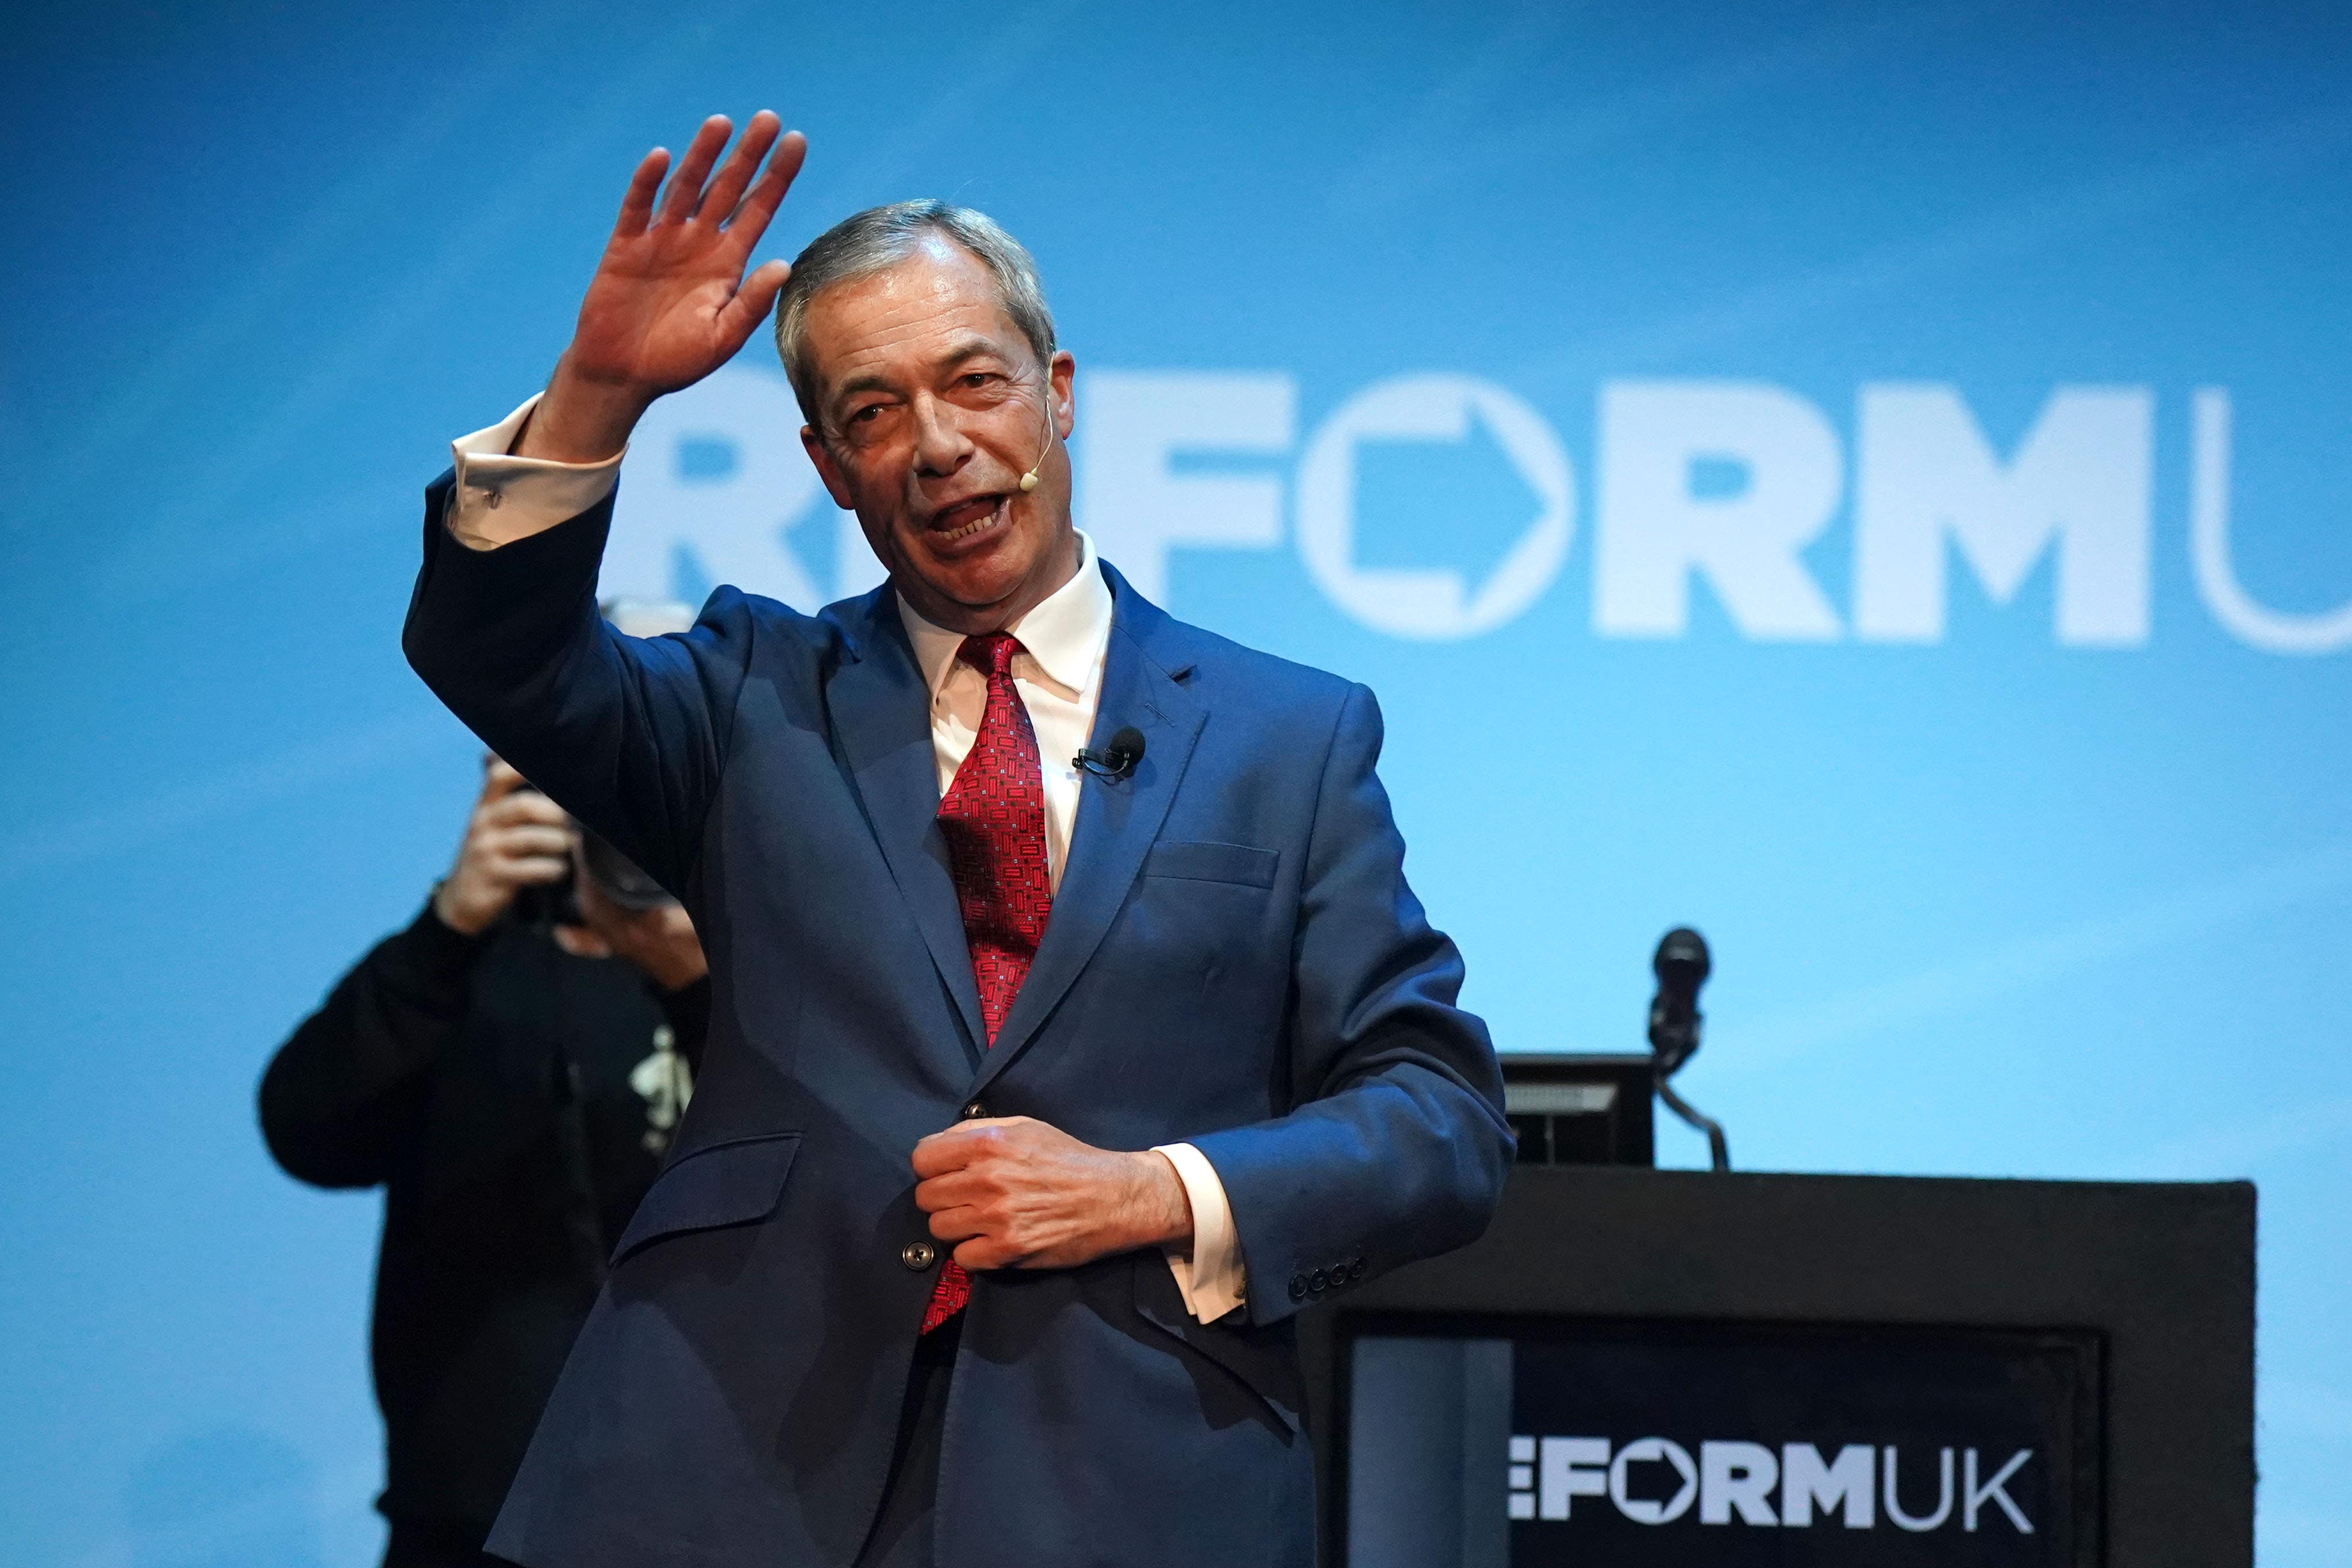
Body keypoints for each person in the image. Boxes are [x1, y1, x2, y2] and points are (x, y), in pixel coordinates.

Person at [400, 110, 1513, 1568]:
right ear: (825, 464)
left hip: (1127, 1476)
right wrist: (600, 389)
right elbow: (500, 657)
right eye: (872, 413)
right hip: (731, 1468)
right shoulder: (747, 695)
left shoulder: (1286, 739)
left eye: (974, 383)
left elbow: (1440, 1119)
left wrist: (1145, 1187)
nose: (935, 446)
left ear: (1055, 394)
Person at [259, 743, 710, 1568]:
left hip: (723, 1511)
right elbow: (307, 1135)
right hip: (474, 1524)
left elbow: (837, 1176)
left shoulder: (762, 971)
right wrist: (448, 929)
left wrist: (699, 986)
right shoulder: (447, 981)